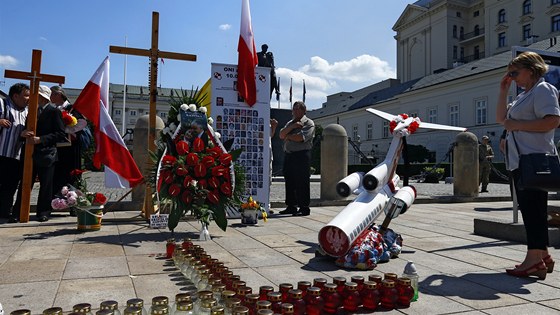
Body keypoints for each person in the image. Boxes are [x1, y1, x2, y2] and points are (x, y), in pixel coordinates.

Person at [497, 51, 560, 280]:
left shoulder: (543, 89)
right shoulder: (525, 94)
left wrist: (517, 126)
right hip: (522, 159)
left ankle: (533, 260)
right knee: (534, 209)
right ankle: (542, 255)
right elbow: (502, 119)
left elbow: (552, 121)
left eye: (515, 72)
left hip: (533, 160)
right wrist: (503, 89)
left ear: (531, 70)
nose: (512, 77)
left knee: (532, 210)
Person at [12, 85, 66, 222]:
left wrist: (41, 139)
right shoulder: (31, 111)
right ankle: (18, 211)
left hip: (47, 154)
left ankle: (44, 212)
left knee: (46, 184)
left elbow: (60, 134)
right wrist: (22, 134)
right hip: (29, 153)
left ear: (42, 97)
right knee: (25, 183)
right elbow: (24, 130)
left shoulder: (53, 111)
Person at [278, 101, 315, 216]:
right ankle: (291, 206)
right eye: (294, 109)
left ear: (304, 110)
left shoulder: (308, 123)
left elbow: (301, 137)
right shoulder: (290, 122)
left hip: (301, 155)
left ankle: (304, 207)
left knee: (302, 181)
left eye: (298, 109)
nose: (295, 111)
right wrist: (293, 127)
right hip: (289, 155)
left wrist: (289, 136)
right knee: (289, 180)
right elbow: (281, 135)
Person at [0, 83, 29, 222]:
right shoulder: (3, 103)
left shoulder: (27, 111)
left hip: (16, 155)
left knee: (10, 186)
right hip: (1, 153)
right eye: (25, 95)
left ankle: (5, 212)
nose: (28, 98)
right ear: (15, 96)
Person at [50, 85, 84, 205]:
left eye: (51, 94)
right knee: (57, 174)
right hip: (58, 147)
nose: (49, 97)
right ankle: (57, 202)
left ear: (58, 95)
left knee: (71, 174)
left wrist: (64, 129)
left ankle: (73, 203)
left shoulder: (71, 108)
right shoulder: (53, 108)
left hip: (71, 148)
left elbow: (82, 123)